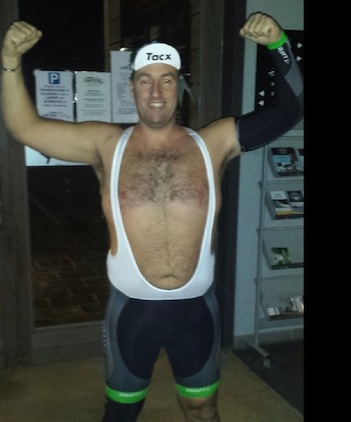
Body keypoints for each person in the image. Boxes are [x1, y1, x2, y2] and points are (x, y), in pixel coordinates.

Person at [1, 11, 303, 422]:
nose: (156, 91)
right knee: (121, 413)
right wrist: (9, 61)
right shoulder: (106, 144)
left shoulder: (214, 142)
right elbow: (25, 127)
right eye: (145, 80)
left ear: (180, 86)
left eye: (167, 79)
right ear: (132, 87)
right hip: (132, 312)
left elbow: (291, 108)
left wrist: (278, 44)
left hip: (196, 311)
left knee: (203, 409)